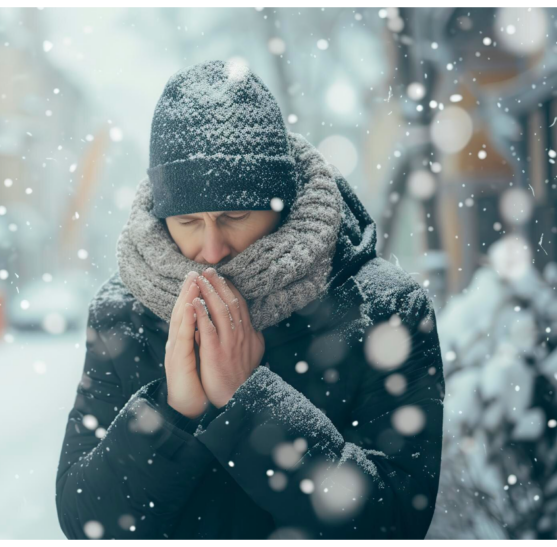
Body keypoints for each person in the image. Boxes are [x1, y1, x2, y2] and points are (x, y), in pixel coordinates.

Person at [55, 59, 445, 540]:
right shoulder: (123, 315)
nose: (212, 250)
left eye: (235, 215)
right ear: (160, 218)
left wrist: (250, 404)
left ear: (280, 202)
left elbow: (396, 523)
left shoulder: (386, 311)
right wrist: (171, 412)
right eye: (188, 223)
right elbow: (85, 524)